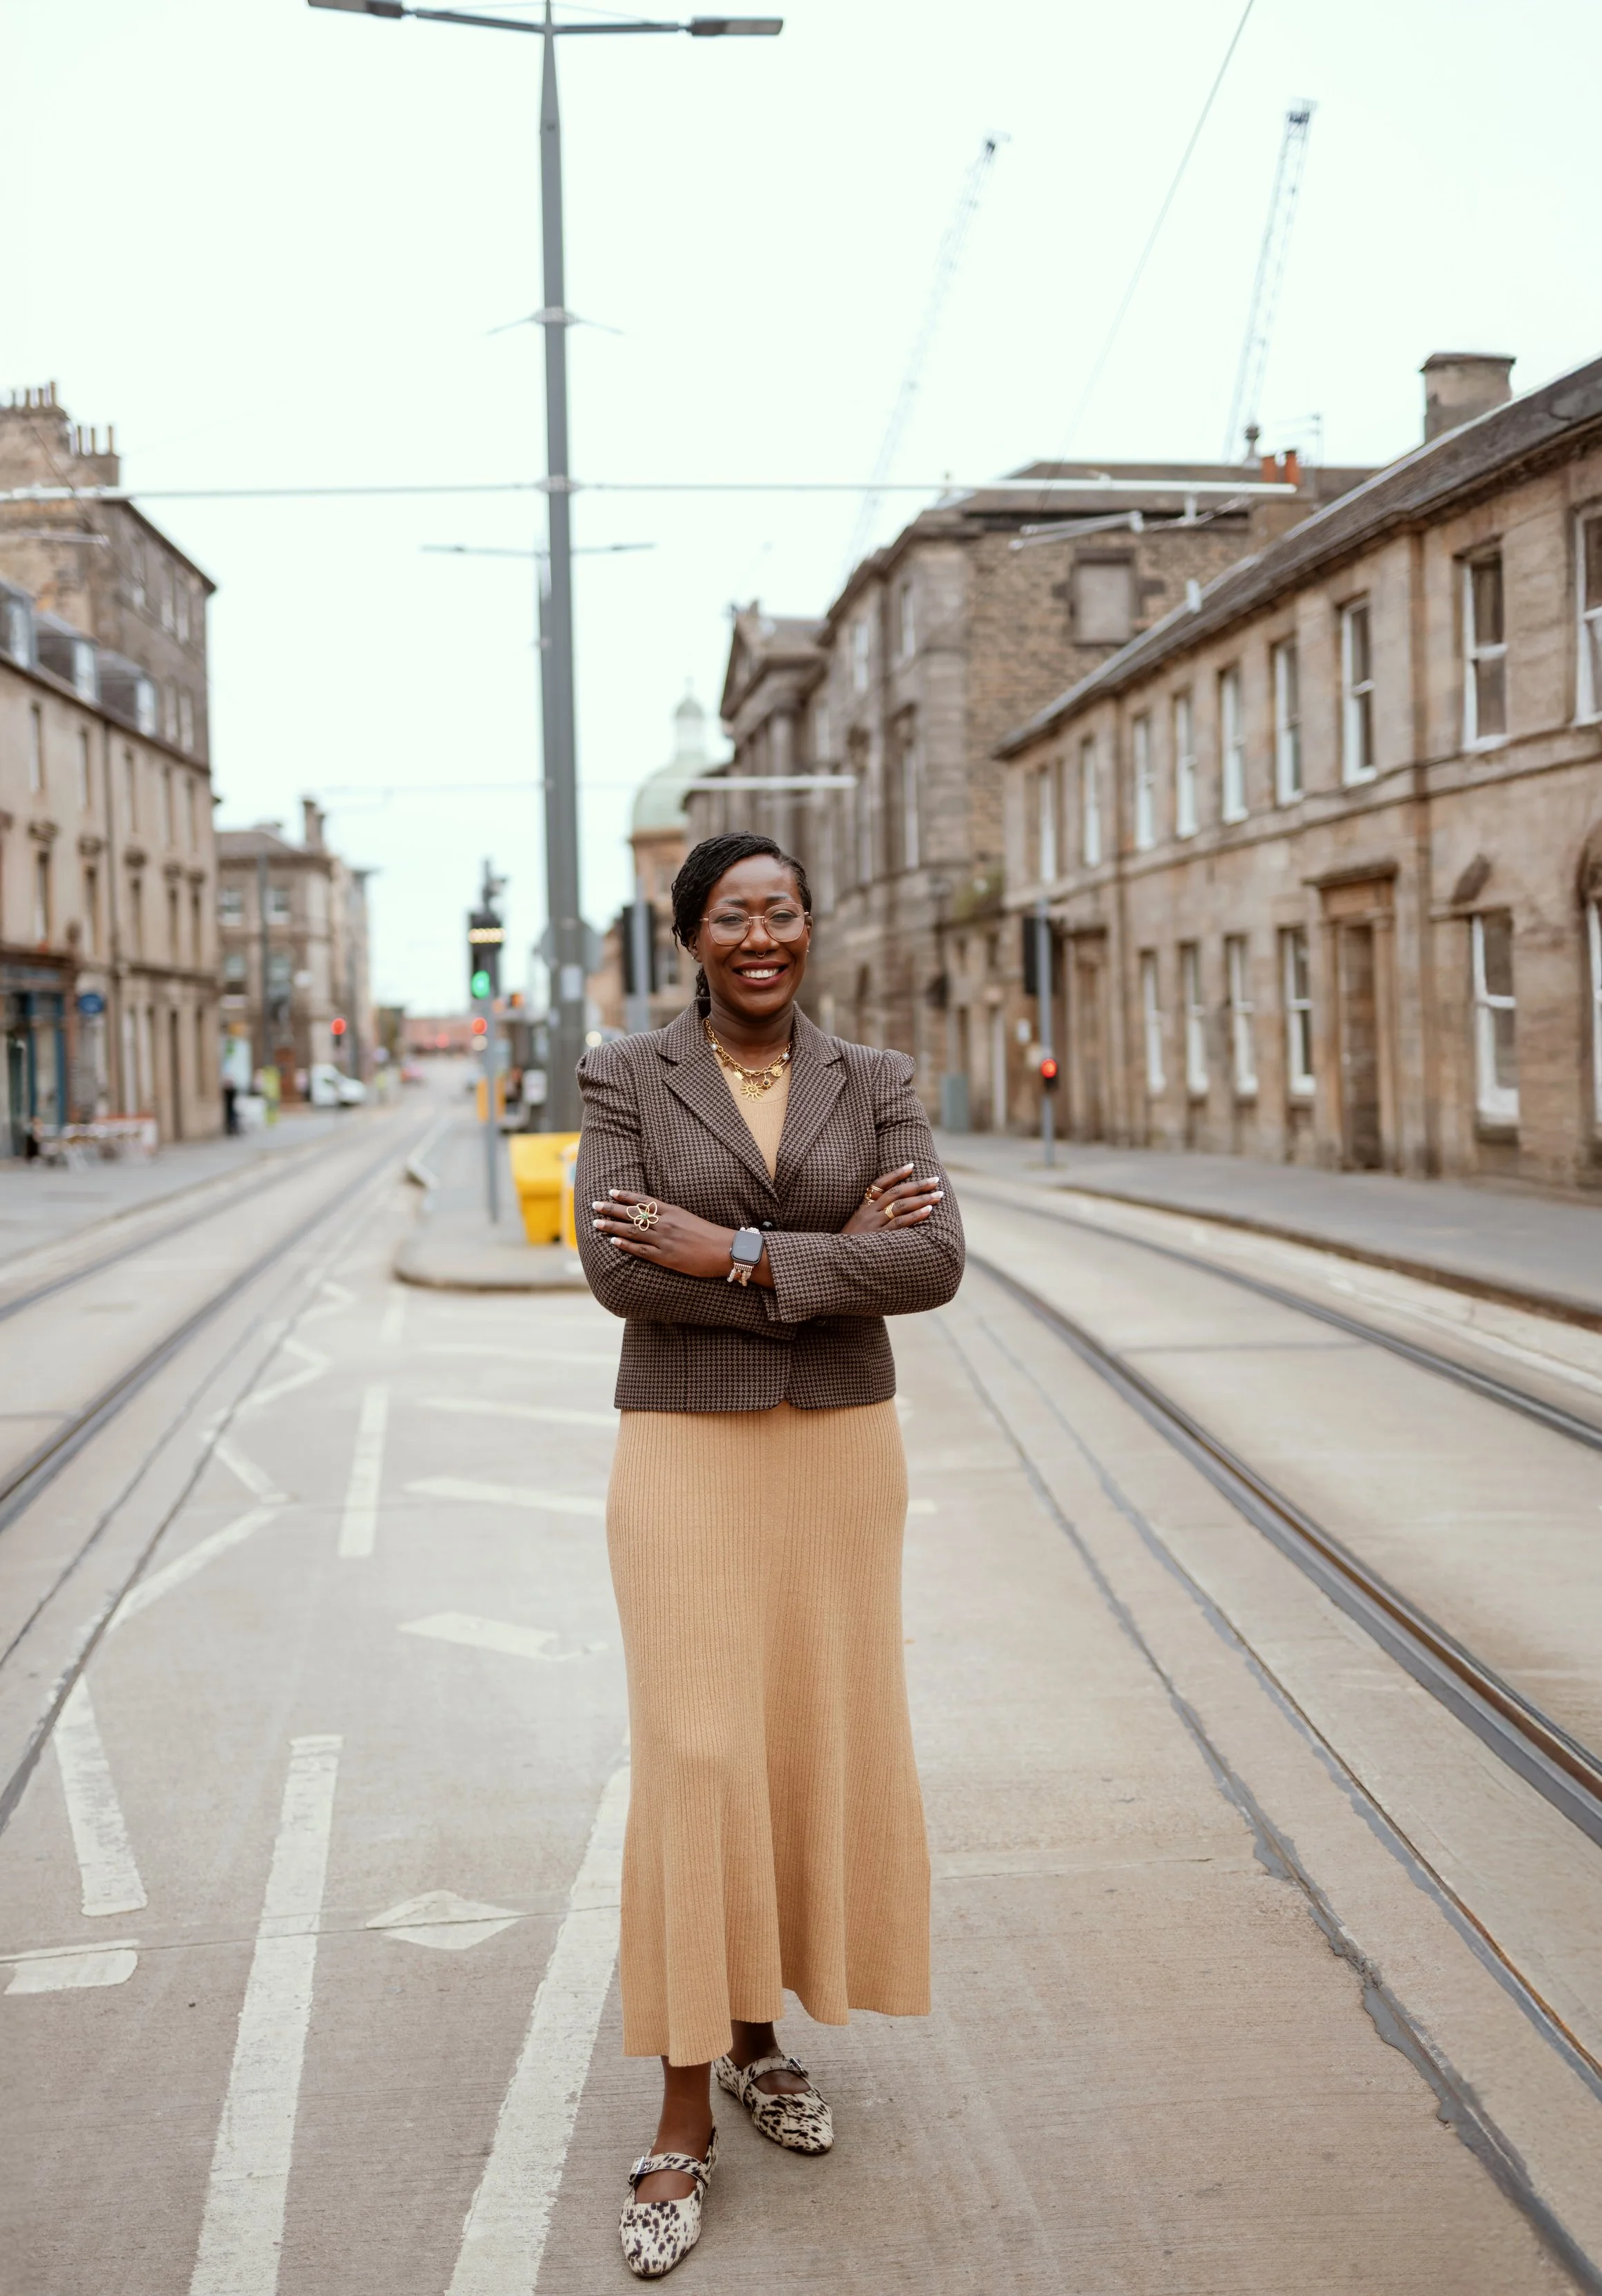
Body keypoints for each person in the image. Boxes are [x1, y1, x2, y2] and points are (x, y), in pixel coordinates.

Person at [574, 830, 965, 2279]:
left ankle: (757, 2038)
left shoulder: (874, 1079)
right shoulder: (625, 1073)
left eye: (782, 911)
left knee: (800, 1746)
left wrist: (729, 1254)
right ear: (690, 936)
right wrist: (825, 1247)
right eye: (732, 914)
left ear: (810, 927)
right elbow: (617, 1266)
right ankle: (682, 2107)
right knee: (696, 1753)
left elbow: (929, 1263)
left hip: (836, 1458)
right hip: (681, 1445)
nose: (760, 936)